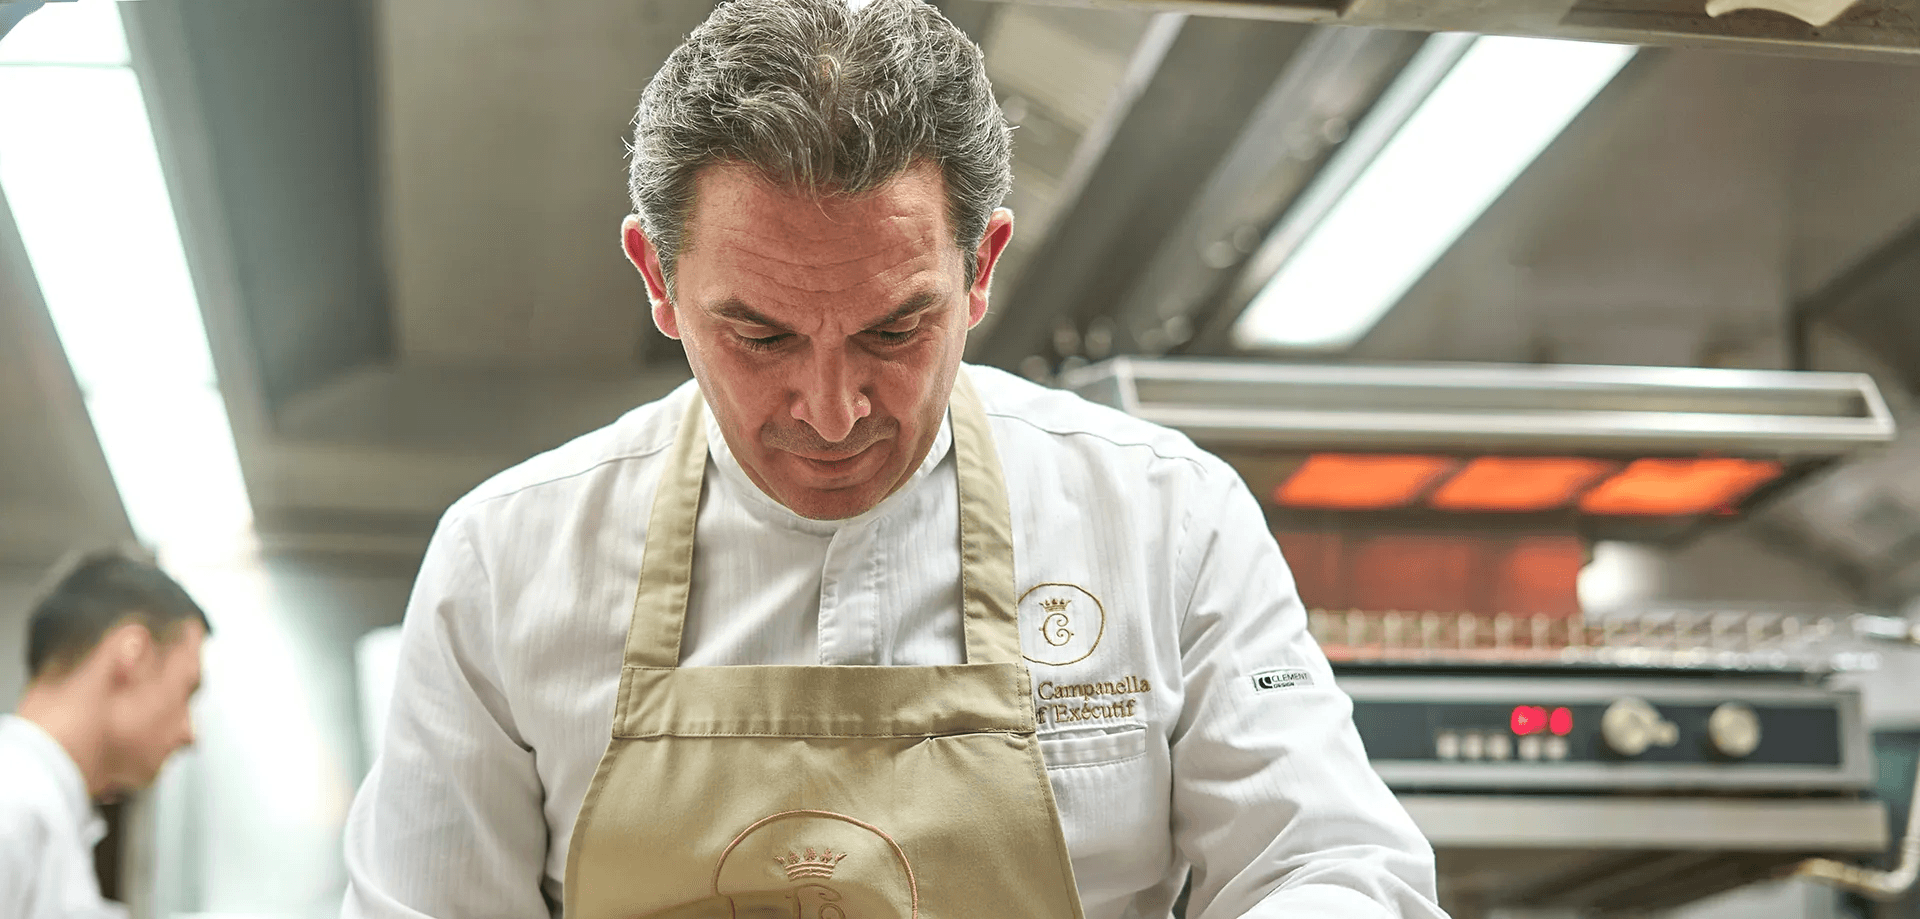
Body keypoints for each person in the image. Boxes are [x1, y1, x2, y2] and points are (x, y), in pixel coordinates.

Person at [342, 0, 1446, 915]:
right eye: (761, 335)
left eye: (893, 330)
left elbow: (1332, 865)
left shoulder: (1167, 519)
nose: (831, 412)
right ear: (656, 278)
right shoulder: (508, 560)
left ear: (982, 268)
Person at [1, 551, 209, 919]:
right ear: (134, 655)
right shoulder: (13, 801)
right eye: (187, 691)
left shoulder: (46, 810)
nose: (189, 734)